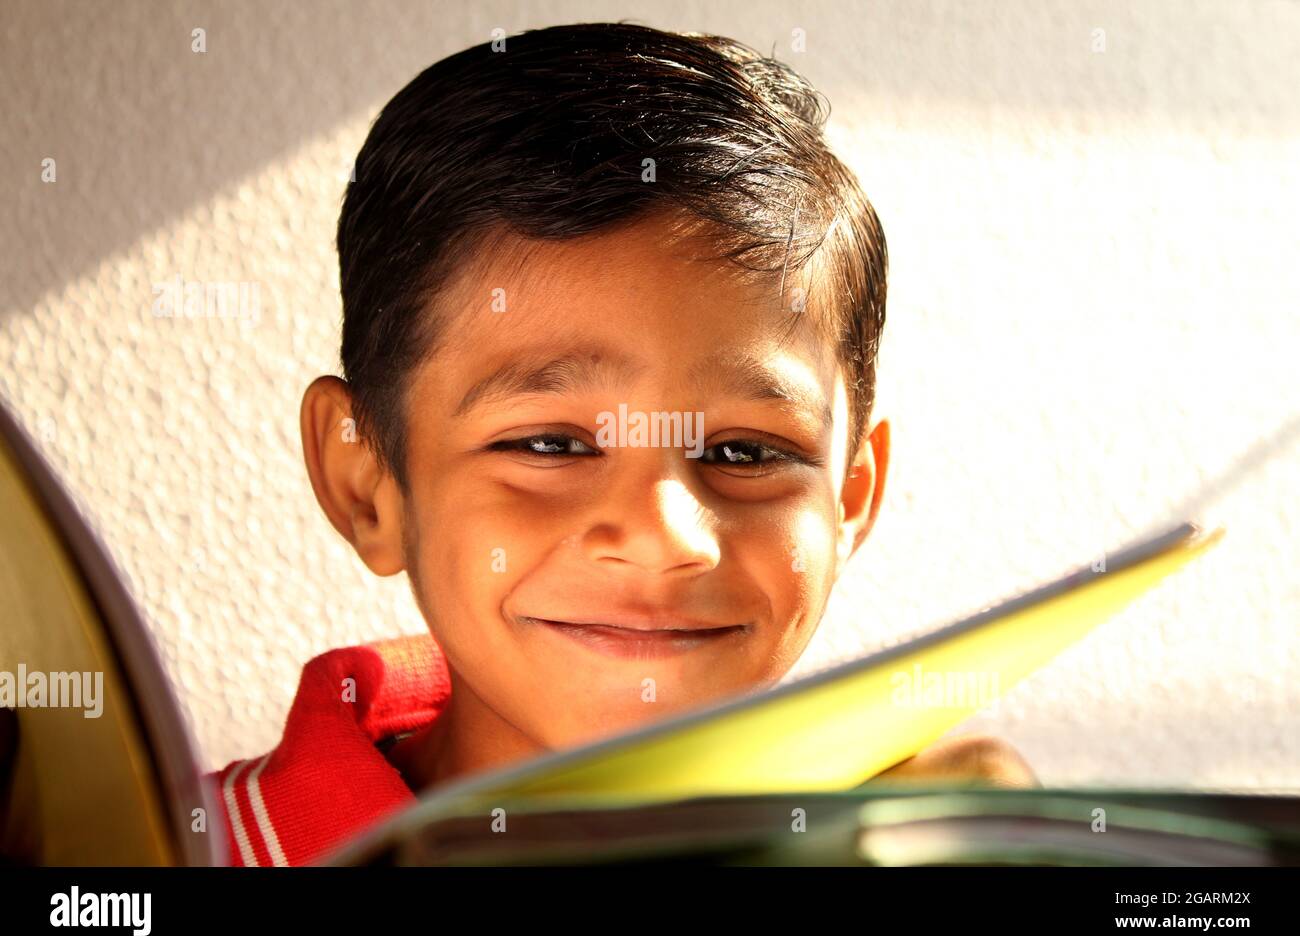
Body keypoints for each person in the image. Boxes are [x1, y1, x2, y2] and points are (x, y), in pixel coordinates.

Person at [211, 21, 1034, 868]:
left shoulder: (920, 840)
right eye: (551, 444)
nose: (664, 538)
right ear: (366, 481)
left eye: (744, 454)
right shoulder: (132, 851)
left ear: (850, 496)